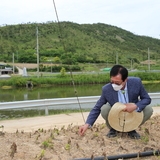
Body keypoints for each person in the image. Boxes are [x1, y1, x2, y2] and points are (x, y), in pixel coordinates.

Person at [79, 64, 153, 139]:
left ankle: (131, 129)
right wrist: (87, 124)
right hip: (116, 114)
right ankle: (113, 129)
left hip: (132, 113)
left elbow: (147, 99)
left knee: (148, 109)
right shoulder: (106, 89)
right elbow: (97, 107)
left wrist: (135, 106)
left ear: (125, 80)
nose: (114, 85)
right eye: (112, 82)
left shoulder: (136, 83)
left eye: (117, 83)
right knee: (104, 108)